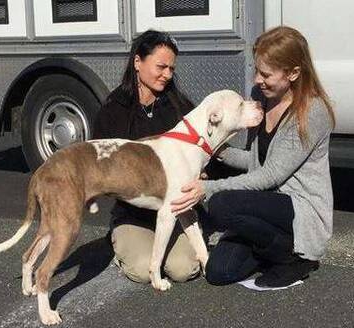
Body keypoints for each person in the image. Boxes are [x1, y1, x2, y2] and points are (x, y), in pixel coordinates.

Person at [171, 26, 336, 289]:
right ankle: (270, 246)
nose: (257, 80)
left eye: (266, 74)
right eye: (257, 70)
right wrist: (212, 151)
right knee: (218, 272)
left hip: (299, 209)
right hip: (266, 204)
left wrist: (208, 188)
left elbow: (271, 175)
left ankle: (293, 258)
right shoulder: (263, 97)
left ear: (293, 73)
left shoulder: (311, 112)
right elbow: (257, 161)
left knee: (221, 204)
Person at [93, 29, 201, 284]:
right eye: (161, 66)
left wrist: (204, 181)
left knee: (183, 269)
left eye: (172, 69)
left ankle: (171, 243)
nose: (167, 75)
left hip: (176, 210)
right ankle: (123, 239)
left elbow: (207, 150)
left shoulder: (180, 107)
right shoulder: (113, 110)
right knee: (142, 270)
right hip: (134, 212)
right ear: (138, 62)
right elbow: (99, 165)